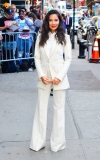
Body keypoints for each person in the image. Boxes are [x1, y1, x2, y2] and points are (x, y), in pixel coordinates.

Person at [30, 9, 72, 152]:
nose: (53, 23)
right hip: (44, 78)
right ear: (46, 21)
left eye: (56, 20)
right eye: (50, 20)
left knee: (58, 111)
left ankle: (57, 144)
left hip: (59, 78)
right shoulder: (40, 36)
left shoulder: (65, 37)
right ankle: (37, 142)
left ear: (60, 21)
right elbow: (36, 57)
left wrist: (59, 77)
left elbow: (68, 59)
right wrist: (41, 75)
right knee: (40, 109)